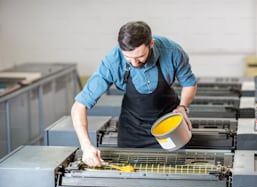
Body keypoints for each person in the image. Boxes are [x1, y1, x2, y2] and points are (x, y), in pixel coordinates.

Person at [71, 21, 197, 167]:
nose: (134, 63)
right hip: (133, 132)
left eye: (140, 57)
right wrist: (86, 146)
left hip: (169, 128)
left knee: (174, 176)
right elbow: (79, 106)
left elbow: (189, 84)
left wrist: (183, 107)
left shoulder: (172, 51)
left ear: (151, 43)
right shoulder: (112, 62)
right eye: (128, 58)